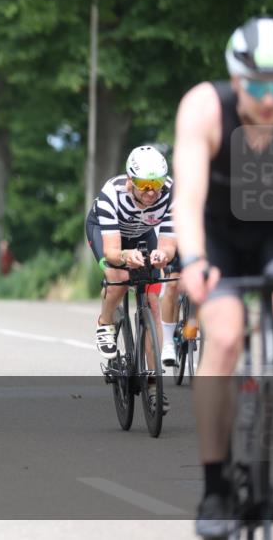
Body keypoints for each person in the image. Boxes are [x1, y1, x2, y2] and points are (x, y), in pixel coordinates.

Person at [173, 16, 273, 535]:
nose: (269, 99)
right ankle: (215, 489)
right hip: (218, 236)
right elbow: (187, 197)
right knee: (222, 337)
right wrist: (195, 261)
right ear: (235, 80)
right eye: (256, 87)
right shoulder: (204, 108)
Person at [85, 145, 178, 412]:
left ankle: (153, 384)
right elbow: (114, 252)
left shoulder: (171, 194)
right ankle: (105, 322)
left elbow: (169, 244)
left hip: (141, 232)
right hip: (107, 233)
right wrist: (126, 256)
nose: (151, 192)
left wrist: (162, 254)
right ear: (130, 181)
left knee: (153, 298)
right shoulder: (111, 194)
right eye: (144, 185)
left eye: (157, 184)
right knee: (119, 278)